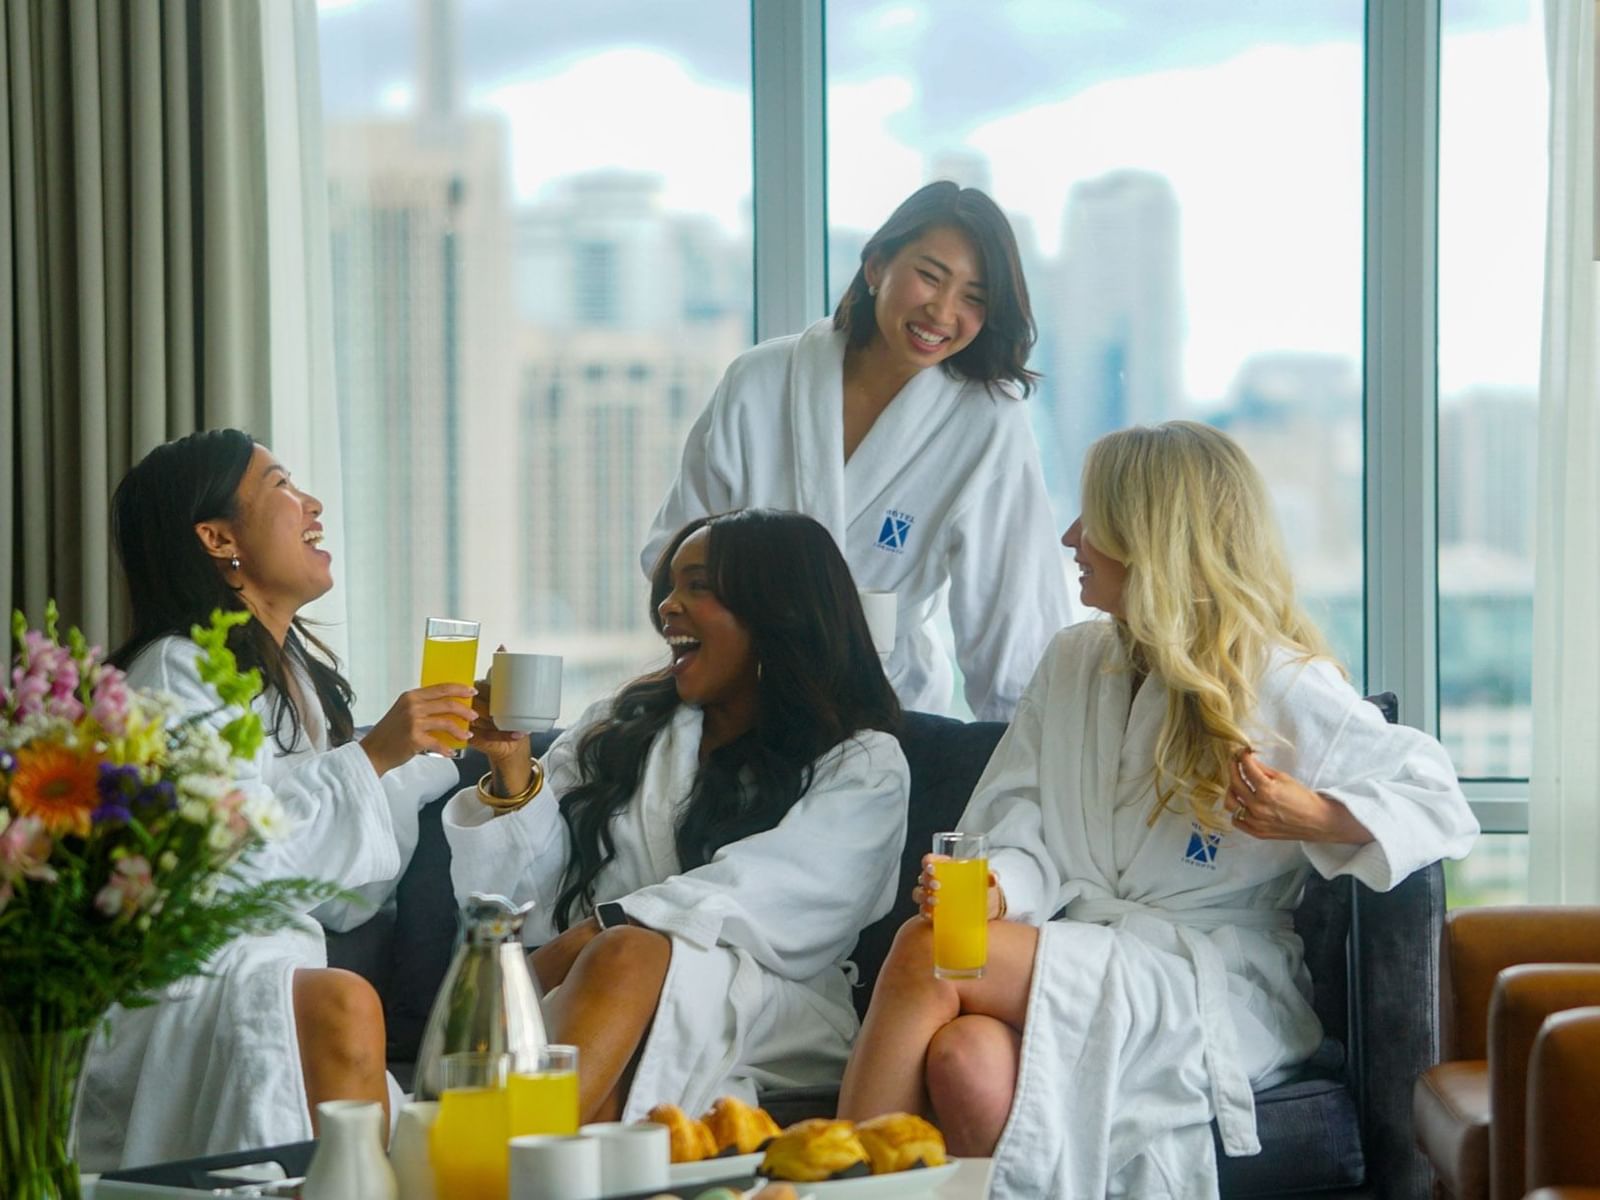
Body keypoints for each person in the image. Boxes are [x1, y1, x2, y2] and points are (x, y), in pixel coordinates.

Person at [836, 422, 1479, 1199]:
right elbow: (1020, 818)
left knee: (926, 951)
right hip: (1087, 950)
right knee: (965, 1060)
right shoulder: (1073, 661)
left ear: (1150, 537)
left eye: (1093, 521)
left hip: (1207, 984)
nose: (1071, 539)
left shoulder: (1275, 678)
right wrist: (998, 887)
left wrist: (1317, 815)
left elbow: (1436, 795)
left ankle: (830, 1184)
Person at [78, 429, 476, 1170]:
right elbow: (226, 862)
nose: (313, 505)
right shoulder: (172, 672)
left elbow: (345, 897)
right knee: (342, 1003)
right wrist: (376, 756)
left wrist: (427, 755)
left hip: (278, 962)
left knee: (345, 1007)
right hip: (185, 987)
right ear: (217, 537)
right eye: (283, 485)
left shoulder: (293, 682)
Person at [446, 509, 909, 1122]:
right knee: (612, 1053)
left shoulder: (862, 761)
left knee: (627, 955)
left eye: (698, 586)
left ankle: (483, 1160)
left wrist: (601, 931)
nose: (667, 605)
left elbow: (787, 893)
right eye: (669, 587)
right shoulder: (619, 730)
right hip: (591, 990)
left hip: (772, 1002)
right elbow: (527, 902)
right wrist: (510, 766)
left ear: (776, 611)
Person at [641, 181, 1069, 722]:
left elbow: (1013, 618)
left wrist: (1022, 755)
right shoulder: (760, 381)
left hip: (891, 711)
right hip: (742, 699)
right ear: (876, 266)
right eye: (930, 276)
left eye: (974, 298)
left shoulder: (987, 420)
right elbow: (675, 551)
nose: (942, 312)